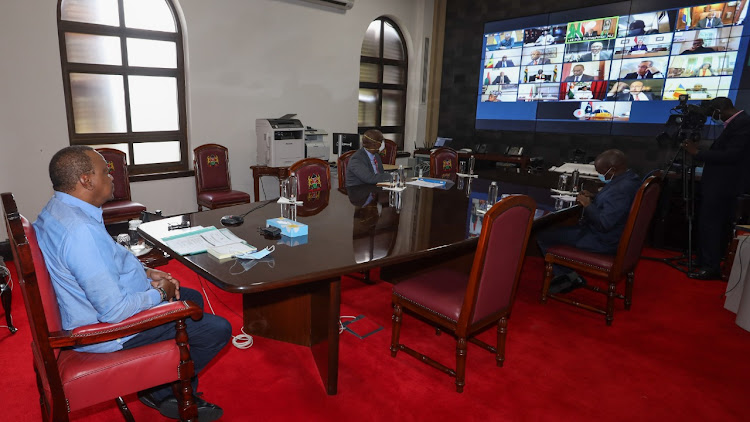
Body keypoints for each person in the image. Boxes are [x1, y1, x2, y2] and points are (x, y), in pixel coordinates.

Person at [32, 146, 231, 421]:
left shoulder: (59, 209)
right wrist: (159, 294)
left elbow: (107, 261)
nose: (113, 177)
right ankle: (165, 386)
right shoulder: (81, 233)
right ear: (86, 180)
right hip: (109, 332)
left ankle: (160, 392)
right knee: (217, 329)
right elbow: (113, 313)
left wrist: (147, 274)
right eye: (106, 171)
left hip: (93, 308)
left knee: (192, 297)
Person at [537, 150, 641, 293]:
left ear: (613, 169)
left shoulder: (620, 190)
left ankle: (568, 277)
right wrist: (595, 197)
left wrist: (588, 205)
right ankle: (568, 274)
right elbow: (615, 205)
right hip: (615, 235)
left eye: (600, 171)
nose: (599, 174)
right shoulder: (630, 179)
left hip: (603, 241)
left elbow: (604, 224)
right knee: (559, 229)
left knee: (542, 234)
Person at [683, 97, 750, 280]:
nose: (713, 117)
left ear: (720, 110)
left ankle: (711, 267)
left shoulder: (743, 123)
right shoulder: (736, 123)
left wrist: (698, 153)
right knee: (708, 223)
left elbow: (732, 155)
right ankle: (704, 259)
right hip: (719, 184)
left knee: (712, 225)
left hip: (724, 185)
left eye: (713, 113)